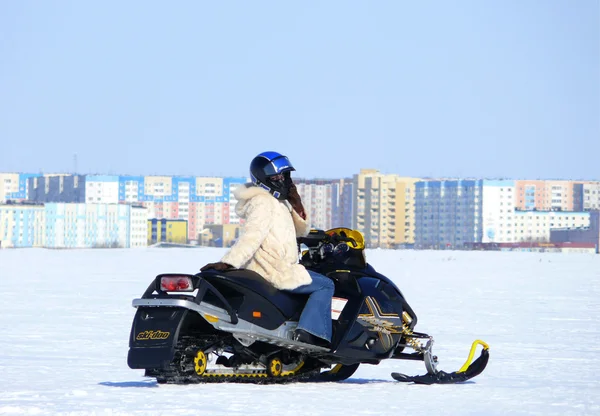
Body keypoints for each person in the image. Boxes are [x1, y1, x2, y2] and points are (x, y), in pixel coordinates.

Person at [201, 151, 333, 348]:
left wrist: (296, 203)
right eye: (277, 177)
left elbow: (300, 231)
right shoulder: (263, 202)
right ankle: (310, 335)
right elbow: (252, 236)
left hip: (278, 266)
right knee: (326, 285)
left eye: (285, 176)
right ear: (263, 179)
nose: (283, 180)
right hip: (273, 270)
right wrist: (229, 262)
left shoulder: (278, 202)